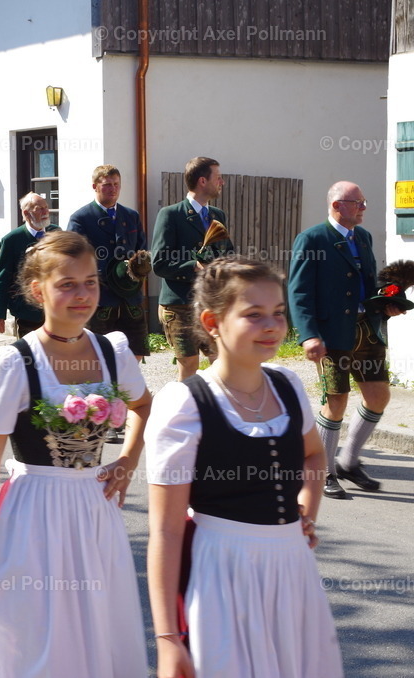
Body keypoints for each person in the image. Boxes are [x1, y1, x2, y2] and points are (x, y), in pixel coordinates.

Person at [0, 231, 150, 677]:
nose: (83, 295)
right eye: (68, 284)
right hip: (32, 514)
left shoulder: (112, 351)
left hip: (94, 511)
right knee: (33, 634)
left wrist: (127, 461)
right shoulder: (12, 364)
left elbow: (143, 405)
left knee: (96, 629)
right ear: (38, 290)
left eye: (91, 282)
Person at [146, 257, 342, 678]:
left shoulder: (287, 385)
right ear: (212, 321)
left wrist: (306, 511)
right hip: (223, 569)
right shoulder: (183, 405)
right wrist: (167, 639)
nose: (271, 326)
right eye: (253, 315)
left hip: (293, 568)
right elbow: (165, 530)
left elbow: (313, 454)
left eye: (277, 313)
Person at [288, 181, 404, 499]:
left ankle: (349, 461)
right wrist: (308, 335)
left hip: (367, 329)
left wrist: (387, 304)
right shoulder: (312, 239)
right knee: (336, 400)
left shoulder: (363, 238)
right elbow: (298, 292)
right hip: (331, 334)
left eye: (364, 201)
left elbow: (370, 284)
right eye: (359, 202)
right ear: (338, 205)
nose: (364, 207)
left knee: (378, 396)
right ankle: (325, 471)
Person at [152, 157, 233, 380]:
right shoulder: (171, 215)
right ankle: (185, 412)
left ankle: (216, 409)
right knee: (189, 365)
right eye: (218, 178)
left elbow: (227, 253)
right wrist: (194, 266)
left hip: (209, 304)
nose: (222, 182)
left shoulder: (218, 216)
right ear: (202, 181)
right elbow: (159, 262)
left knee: (220, 359)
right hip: (179, 305)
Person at [68, 164, 150, 359]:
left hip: (131, 296)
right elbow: (74, 259)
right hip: (99, 298)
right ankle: (104, 389)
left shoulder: (131, 216)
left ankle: (124, 388)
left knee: (135, 352)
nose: (113, 189)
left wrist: (141, 265)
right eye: (107, 185)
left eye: (116, 184)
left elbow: (142, 248)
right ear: (94, 186)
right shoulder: (81, 218)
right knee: (97, 355)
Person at [0, 192, 59, 337]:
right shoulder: (12, 240)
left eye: (46, 207)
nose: (45, 211)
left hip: (54, 309)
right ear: (26, 213)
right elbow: (2, 278)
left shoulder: (56, 233)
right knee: (29, 355)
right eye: (39, 208)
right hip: (27, 311)